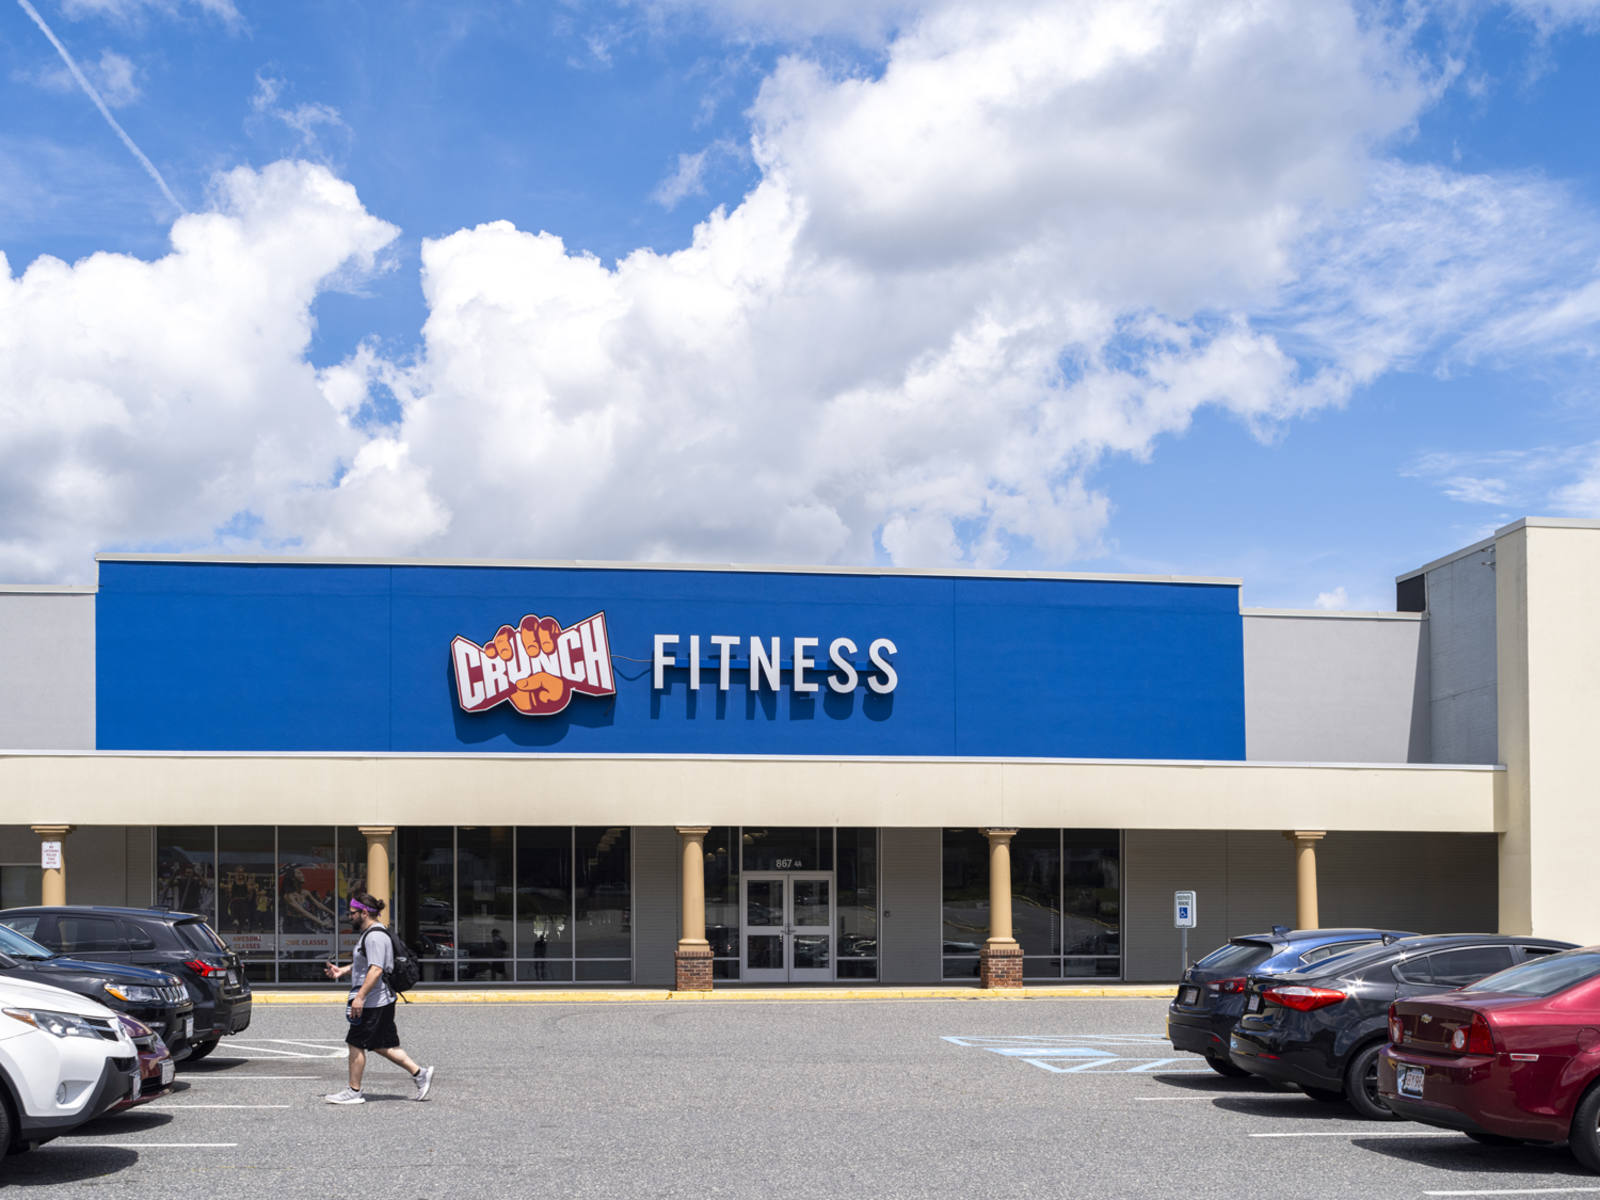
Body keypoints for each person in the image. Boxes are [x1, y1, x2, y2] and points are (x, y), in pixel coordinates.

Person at [321, 892, 433, 1104]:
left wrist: (360, 997)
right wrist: (342, 971)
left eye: (353, 913)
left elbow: (376, 969)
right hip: (378, 999)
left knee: (355, 1042)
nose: (350, 916)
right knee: (383, 1045)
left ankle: (353, 1091)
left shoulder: (375, 936)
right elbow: (366, 964)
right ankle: (420, 1074)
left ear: (364, 913)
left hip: (374, 1000)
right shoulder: (370, 934)